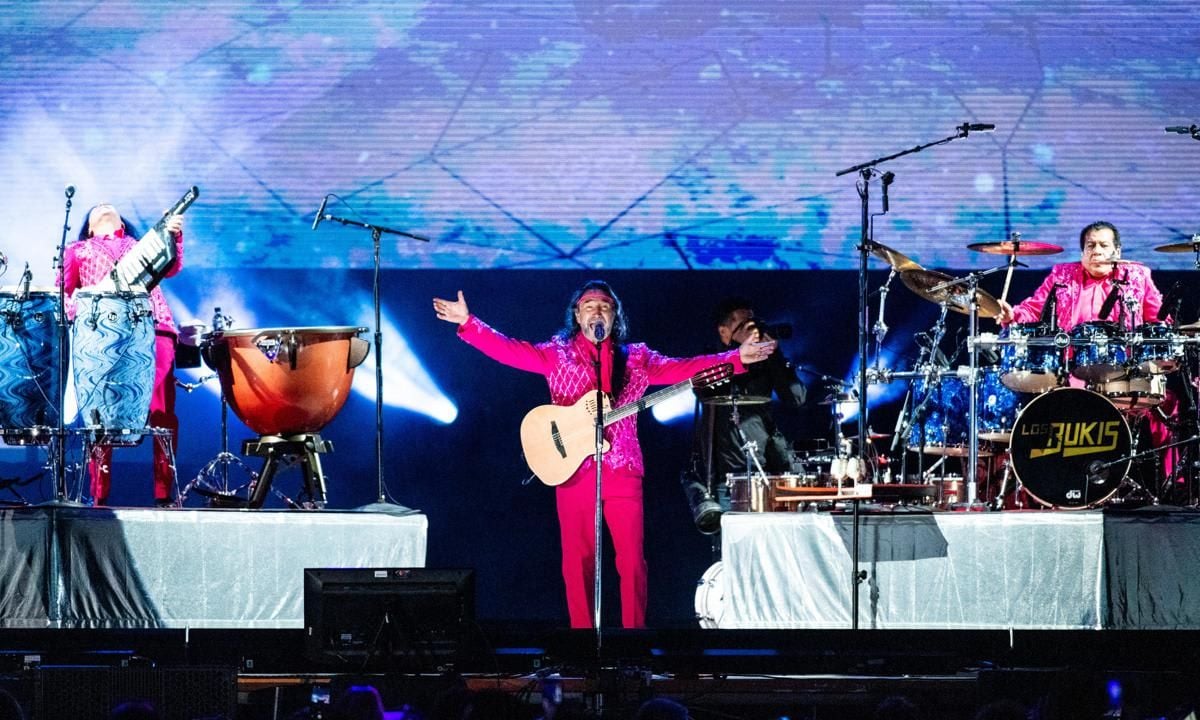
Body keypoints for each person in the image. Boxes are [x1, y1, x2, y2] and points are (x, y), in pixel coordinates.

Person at [432, 280, 774, 629]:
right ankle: (583, 640)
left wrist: (735, 358)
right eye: (590, 305)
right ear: (577, 315)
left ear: (615, 317)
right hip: (572, 469)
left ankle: (633, 642)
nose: (598, 310)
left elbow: (684, 367)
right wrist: (469, 323)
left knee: (631, 562)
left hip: (622, 468)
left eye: (605, 306)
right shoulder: (557, 353)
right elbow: (509, 350)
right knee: (577, 561)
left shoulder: (637, 359)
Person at [995, 220, 1174, 483]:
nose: (1097, 252)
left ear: (1118, 252)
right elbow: (1033, 309)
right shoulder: (1062, 275)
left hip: (1124, 369)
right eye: (1090, 246)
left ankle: (1167, 484)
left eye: (1104, 245)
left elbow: (1159, 318)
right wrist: (1013, 314)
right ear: (1082, 252)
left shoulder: (1137, 276)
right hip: (1073, 367)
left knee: (1170, 403)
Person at [59, 202, 184, 507]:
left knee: (160, 412)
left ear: (123, 224)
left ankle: (164, 494)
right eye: (96, 208)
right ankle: (99, 495)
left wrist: (175, 237)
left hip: (154, 327)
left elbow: (172, 268)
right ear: (88, 227)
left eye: (110, 206)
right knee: (100, 414)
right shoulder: (78, 250)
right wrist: (83, 309)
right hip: (102, 336)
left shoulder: (141, 244)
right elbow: (62, 294)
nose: (103, 206)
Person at [695, 297, 806, 509]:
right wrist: (738, 357)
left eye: (756, 325)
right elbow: (703, 391)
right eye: (747, 327)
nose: (754, 333)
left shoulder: (766, 361)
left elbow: (797, 398)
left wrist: (774, 356)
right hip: (728, 477)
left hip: (768, 468)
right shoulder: (710, 359)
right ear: (724, 332)